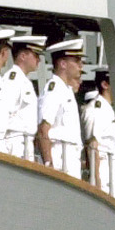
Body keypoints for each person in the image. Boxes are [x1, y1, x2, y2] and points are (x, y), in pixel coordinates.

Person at [36, 39, 86, 174]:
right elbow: (43, 130)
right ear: (63, 64)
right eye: (76, 61)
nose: (81, 65)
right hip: (59, 160)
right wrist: (48, 164)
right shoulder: (54, 89)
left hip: (71, 159)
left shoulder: (66, 90)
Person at [84, 72, 115, 200]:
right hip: (104, 173)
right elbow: (92, 145)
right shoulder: (97, 109)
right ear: (105, 85)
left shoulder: (108, 109)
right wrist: (96, 183)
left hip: (114, 174)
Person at [7, 35, 45, 160]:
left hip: (26, 142)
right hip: (14, 142)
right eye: (36, 55)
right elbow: (4, 114)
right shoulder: (13, 80)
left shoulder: (25, 81)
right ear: (23, 56)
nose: (39, 60)